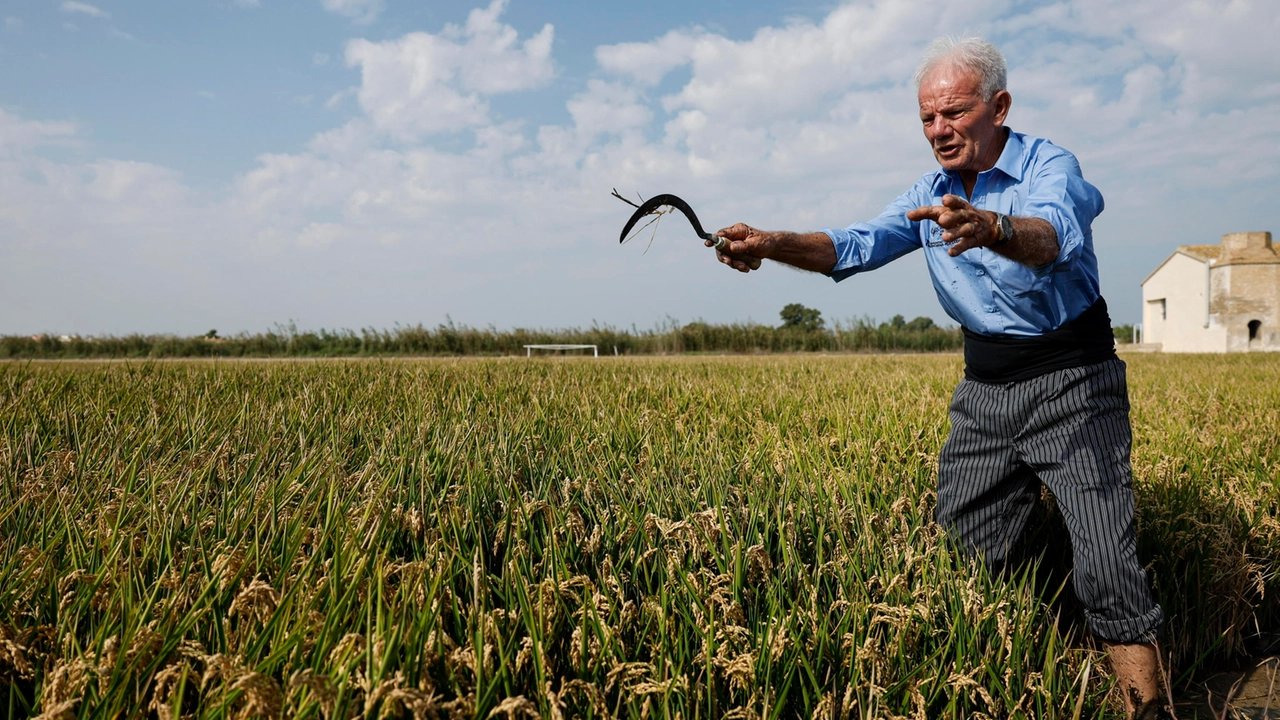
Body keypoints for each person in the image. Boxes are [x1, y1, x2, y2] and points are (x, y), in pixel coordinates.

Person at [710, 36, 1166, 719]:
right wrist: (771, 244)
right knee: (969, 557)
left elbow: (1053, 238)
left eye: (952, 113)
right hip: (983, 396)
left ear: (999, 106)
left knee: (1105, 565)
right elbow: (854, 245)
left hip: (1074, 383)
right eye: (927, 119)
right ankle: (1028, 687)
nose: (938, 131)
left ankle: (1149, 709)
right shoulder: (930, 194)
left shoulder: (1050, 166)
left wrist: (993, 227)